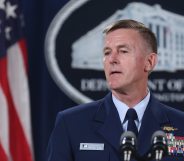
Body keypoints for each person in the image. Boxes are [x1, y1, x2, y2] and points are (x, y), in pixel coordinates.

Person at [47, 19, 184, 161]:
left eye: (123, 51)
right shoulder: (71, 123)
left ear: (149, 62)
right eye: (107, 52)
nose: (112, 59)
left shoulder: (180, 125)